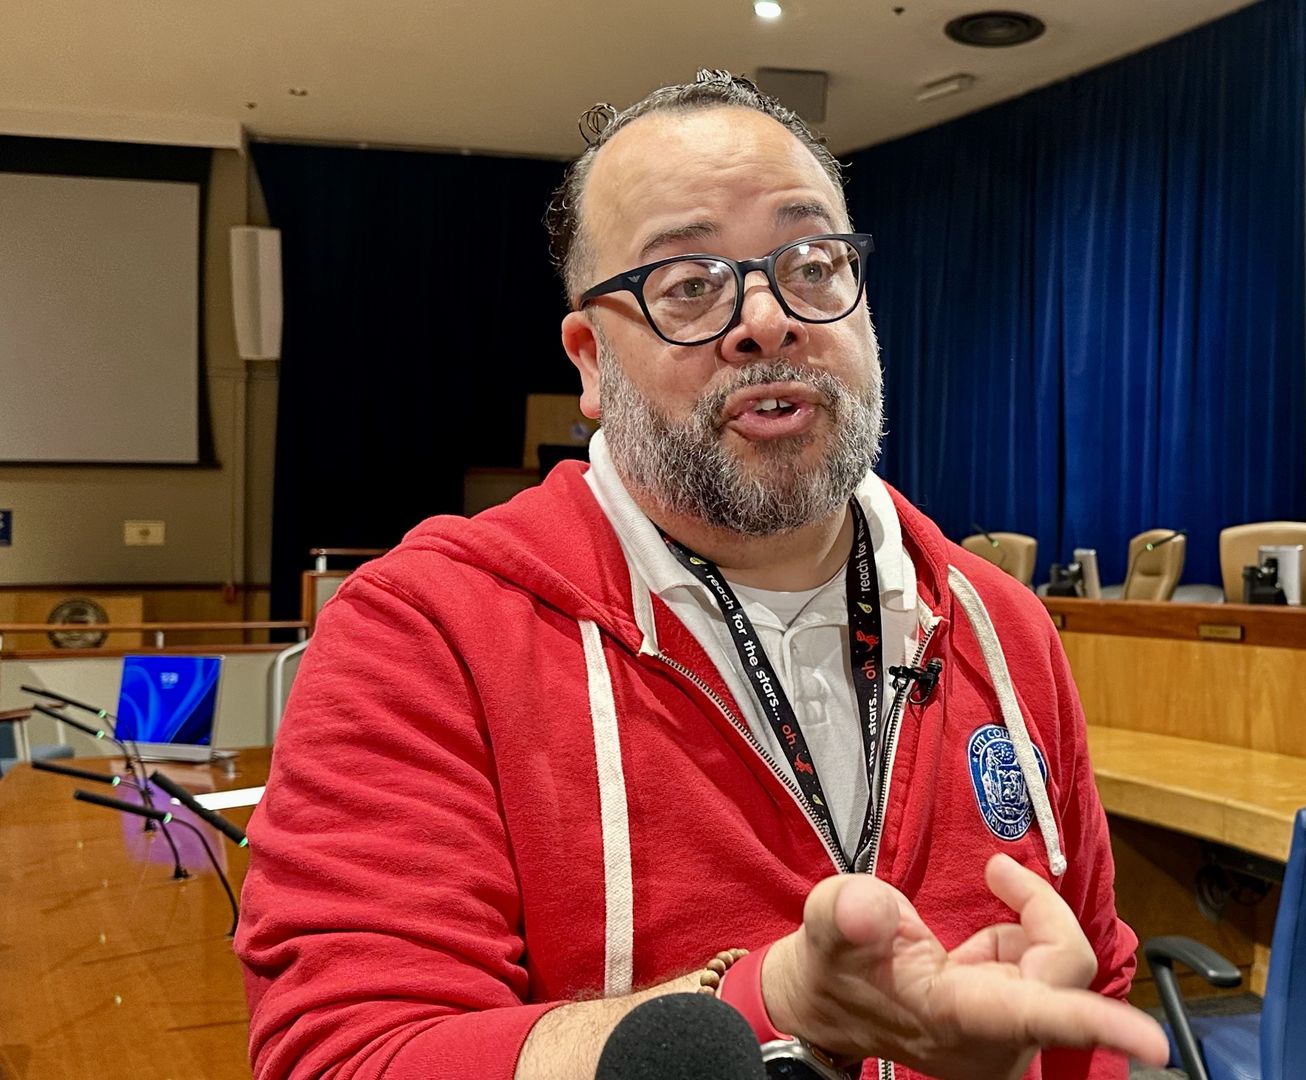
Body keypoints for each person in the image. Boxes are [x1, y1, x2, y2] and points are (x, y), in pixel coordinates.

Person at [235, 71, 1167, 1080]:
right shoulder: (427, 634)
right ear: (590, 362)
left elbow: (1100, 989)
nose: (766, 319)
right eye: (688, 285)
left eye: (811, 263)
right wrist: (767, 1007)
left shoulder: (1002, 629)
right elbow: (352, 1056)